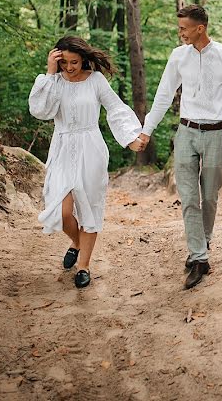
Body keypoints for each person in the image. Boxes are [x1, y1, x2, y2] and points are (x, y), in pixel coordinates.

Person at [140, 4, 222, 289]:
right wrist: (146, 130)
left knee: (210, 196)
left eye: (183, 28)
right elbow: (164, 94)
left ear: (200, 28)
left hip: (217, 133)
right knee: (189, 197)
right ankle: (199, 256)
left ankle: (201, 241)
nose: (180, 33)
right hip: (186, 132)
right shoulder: (178, 57)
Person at [28, 36, 148, 288]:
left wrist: (130, 138)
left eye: (74, 62)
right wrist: (50, 74)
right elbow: (41, 111)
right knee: (61, 211)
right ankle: (77, 242)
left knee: (90, 208)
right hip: (61, 148)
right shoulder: (54, 82)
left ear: (83, 59)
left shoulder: (95, 81)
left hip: (90, 148)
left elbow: (115, 108)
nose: (69, 68)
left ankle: (84, 266)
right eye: (64, 63)